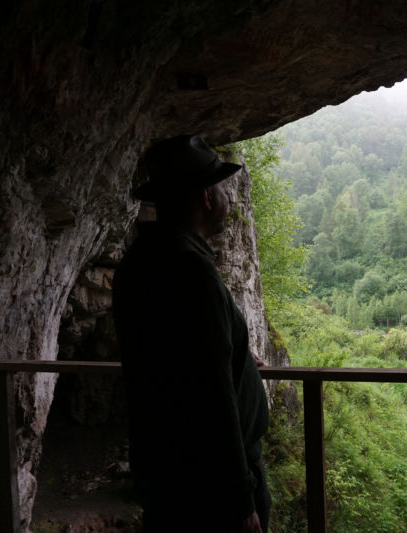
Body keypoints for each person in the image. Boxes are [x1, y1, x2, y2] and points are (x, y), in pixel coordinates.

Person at [112, 135, 270, 532]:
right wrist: (240, 499)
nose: (226, 198)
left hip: (169, 475)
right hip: (210, 490)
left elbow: (179, 359)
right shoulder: (190, 271)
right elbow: (210, 394)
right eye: (220, 187)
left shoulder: (140, 263)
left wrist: (235, 354)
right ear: (204, 196)